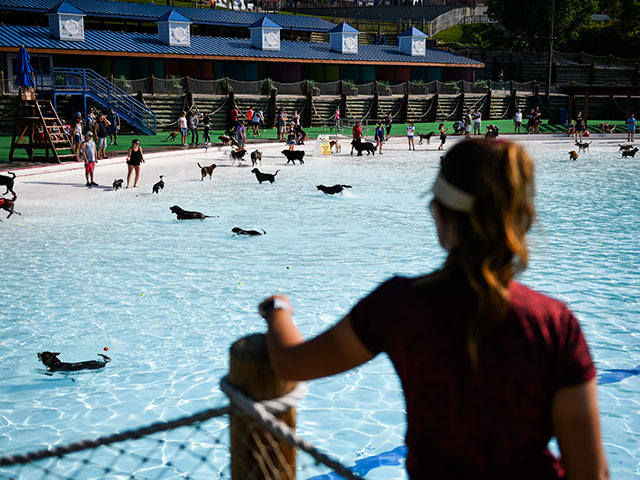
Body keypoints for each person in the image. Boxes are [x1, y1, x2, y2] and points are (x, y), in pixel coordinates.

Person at [259, 139, 609, 480]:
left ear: (439, 214)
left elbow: (292, 362)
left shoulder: (399, 306)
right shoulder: (555, 323)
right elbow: (591, 472)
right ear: (519, 219)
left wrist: (278, 310)